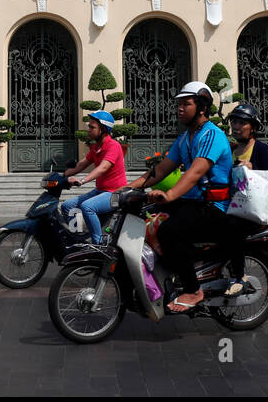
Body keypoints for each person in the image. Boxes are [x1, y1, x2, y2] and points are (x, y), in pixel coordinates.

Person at [128, 81, 233, 313]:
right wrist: (128, 188)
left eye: (187, 104)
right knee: (146, 217)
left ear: (202, 107)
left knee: (169, 231)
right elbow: (161, 169)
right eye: (179, 104)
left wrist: (170, 194)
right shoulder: (186, 138)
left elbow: (196, 172)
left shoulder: (212, 135)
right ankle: (167, 273)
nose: (180, 109)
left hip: (215, 206)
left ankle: (193, 289)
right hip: (194, 203)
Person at [223, 103, 268, 296]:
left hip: (255, 213)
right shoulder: (229, 149)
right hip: (232, 205)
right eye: (234, 121)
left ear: (253, 127)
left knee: (230, 226)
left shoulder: (262, 151)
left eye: (242, 123)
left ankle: (239, 276)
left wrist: (252, 168)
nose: (236, 126)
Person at [60, 111, 127, 245]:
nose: (88, 130)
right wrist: (61, 176)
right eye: (89, 127)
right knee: (67, 206)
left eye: (92, 127)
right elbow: (81, 165)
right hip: (100, 191)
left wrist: (83, 180)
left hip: (114, 192)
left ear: (102, 129)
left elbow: (103, 168)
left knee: (87, 207)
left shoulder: (113, 146)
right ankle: (79, 237)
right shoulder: (96, 147)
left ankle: (98, 243)